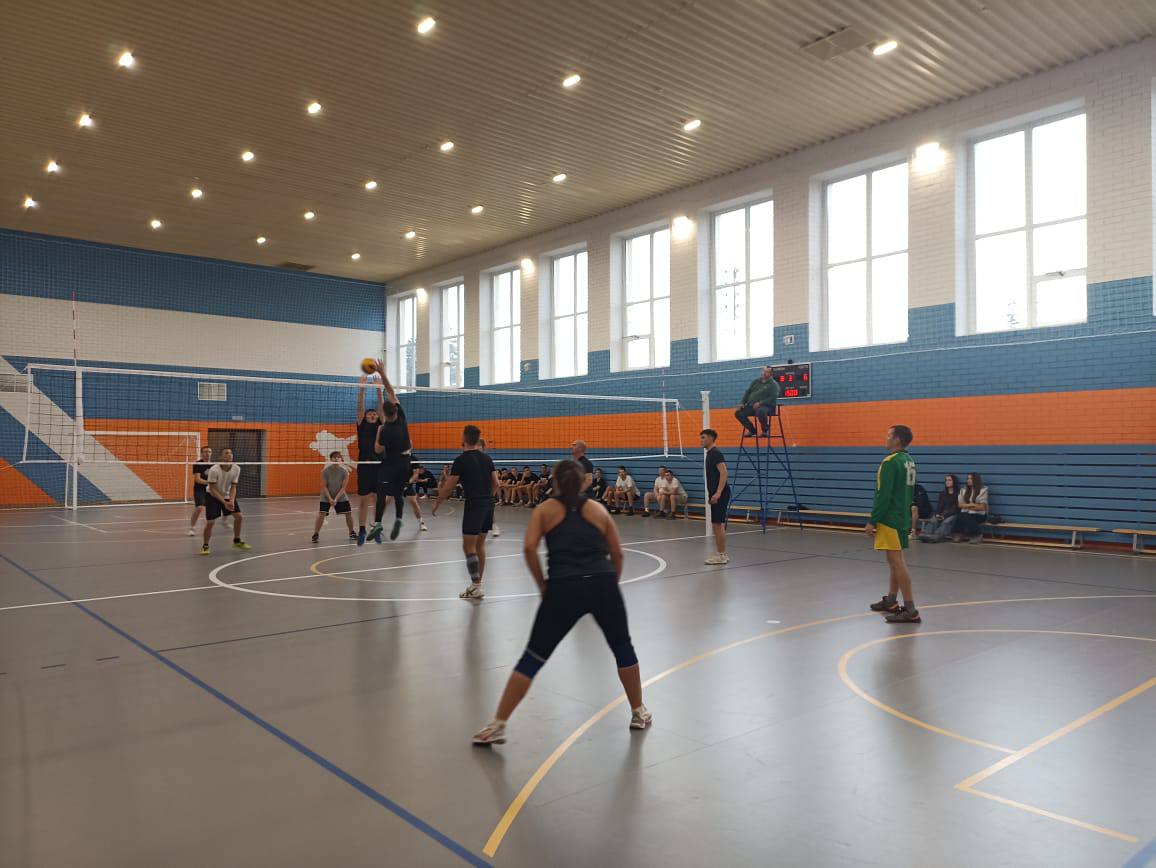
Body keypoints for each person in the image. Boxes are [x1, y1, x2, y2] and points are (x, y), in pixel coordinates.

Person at [471, 459, 651, 745]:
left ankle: (497, 725)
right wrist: (610, 586)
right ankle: (638, 712)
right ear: (583, 483)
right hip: (602, 583)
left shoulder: (544, 510)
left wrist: (542, 585)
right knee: (622, 647)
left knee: (533, 656)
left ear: (554, 482)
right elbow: (617, 553)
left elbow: (529, 548)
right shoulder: (598, 509)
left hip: (563, 588)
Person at [432, 425, 500, 600]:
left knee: (468, 547)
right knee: (479, 546)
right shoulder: (487, 458)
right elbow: (496, 484)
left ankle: (476, 585)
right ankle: (476, 585)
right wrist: (488, 499)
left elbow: (449, 487)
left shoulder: (460, 461)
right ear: (478, 439)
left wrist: (437, 503)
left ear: (464, 438)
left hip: (474, 505)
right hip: (488, 505)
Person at [866, 425, 919, 623]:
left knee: (897, 562)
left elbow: (883, 495)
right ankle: (891, 600)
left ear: (897, 439)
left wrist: (873, 520)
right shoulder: (909, 460)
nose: (885, 437)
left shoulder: (890, 462)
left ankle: (911, 610)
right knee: (894, 561)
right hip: (903, 516)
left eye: (888, 435)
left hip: (891, 518)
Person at [367, 363, 412, 543]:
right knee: (398, 494)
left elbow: (378, 450)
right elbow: (391, 391)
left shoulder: (384, 430)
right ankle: (399, 519)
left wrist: (378, 434)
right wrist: (383, 372)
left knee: (381, 494)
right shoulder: (401, 416)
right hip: (405, 463)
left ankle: (378, 523)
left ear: (384, 414)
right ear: (395, 409)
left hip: (390, 464)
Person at [199, 448, 251, 555]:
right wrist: (224, 502)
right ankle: (205, 545)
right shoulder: (214, 470)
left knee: (239, 517)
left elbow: (233, 487)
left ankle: (236, 541)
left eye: (231, 453)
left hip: (227, 495)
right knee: (210, 522)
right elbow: (212, 488)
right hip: (212, 496)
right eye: (226, 453)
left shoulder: (236, 468)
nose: (230, 455)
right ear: (221, 457)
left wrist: (231, 500)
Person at [354, 367, 385, 545]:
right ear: (365, 417)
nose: (372, 415)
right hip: (365, 465)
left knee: (379, 499)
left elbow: (381, 406)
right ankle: (362, 529)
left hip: (380, 466)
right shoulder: (362, 424)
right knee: (364, 499)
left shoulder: (381, 424)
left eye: (374, 414)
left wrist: (379, 389)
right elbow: (360, 406)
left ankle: (377, 527)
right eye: (370, 414)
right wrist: (362, 387)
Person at [313, 451, 356, 543]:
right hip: (326, 495)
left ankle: (351, 532)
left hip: (340, 495)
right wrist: (330, 499)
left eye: (338, 457)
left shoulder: (344, 472)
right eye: (334, 457)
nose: (336, 459)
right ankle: (316, 534)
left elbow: (343, 488)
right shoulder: (325, 471)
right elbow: (324, 486)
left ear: (341, 459)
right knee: (321, 514)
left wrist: (336, 499)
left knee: (348, 513)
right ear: (331, 459)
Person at [701, 429, 730, 564]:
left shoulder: (716, 453)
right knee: (717, 524)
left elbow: (724, 473)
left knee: (718, 524)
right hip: (716, 494)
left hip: (720, 494)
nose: (701, 440)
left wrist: (718, 493)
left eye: (703, 437)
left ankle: (721, 556)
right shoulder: (710, 454)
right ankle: (721, 554)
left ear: (711, 438)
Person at [734, 365, 780, 437]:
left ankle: (765, 431)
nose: (764, 373)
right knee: (738, 413)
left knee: (761, 411)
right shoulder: (756, 381)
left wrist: (760, 403)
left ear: (771, 374)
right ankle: (752, 430)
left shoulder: (773, 384)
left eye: (767, 372)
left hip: (768, 407)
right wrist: (742, 403)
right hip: (752, 406)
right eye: (763, 371)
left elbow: (773, 398)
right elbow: (747, 392)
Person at [918, 475, 961, 543]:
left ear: (954, 482)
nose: (947, 482)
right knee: (933, 520)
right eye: (946, 480)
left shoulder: (958, 494)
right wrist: (937, 514)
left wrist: (944, 516)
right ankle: (926, 534)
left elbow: (955, 508)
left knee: (946, 522)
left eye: (949, 480)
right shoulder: (943, 493)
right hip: (942, 514)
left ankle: (937, 535)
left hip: (953, 514)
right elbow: (940, 506)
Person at [953, 472, 989, 543]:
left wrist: (966, 506)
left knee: (967, 516)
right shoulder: (963, 490)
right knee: (960, 516)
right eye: (968, 479)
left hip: (980, 515)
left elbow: (982, 507)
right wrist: (972, 505)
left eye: (971, 479)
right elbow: (960, 505)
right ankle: (959, 534)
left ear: (976, 480)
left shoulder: (983, 491)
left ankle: (977, 535)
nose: (968, 480)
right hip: (966, 513)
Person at [187, 446, 213, 535]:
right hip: (200, 489)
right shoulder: (198, 464)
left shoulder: (215, 464)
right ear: (202, 453)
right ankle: (192, 528)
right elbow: (198, 479)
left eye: (209, 452)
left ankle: (225, 521)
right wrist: (210, 483)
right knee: (199, 508)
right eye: (205, 452)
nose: (207, 453)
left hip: (212, 490)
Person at [404, 463, 430, 532]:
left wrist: (407, 483)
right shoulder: (394, 458)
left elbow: (415, 475)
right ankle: (378, 523)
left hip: (407, 485)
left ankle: (421, 523)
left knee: (414, 503)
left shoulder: (413, 459)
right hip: (395, 484)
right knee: (385, 502)